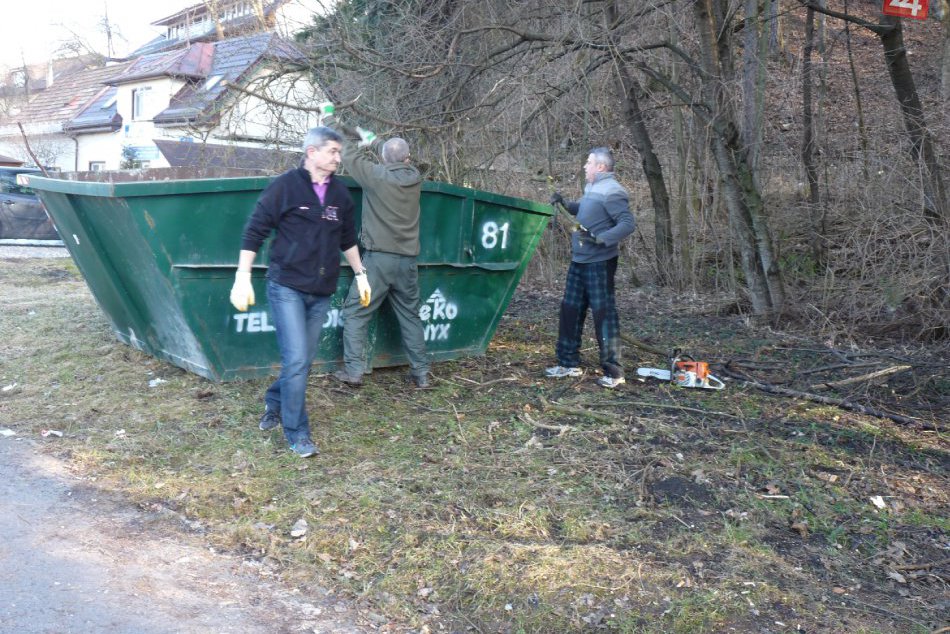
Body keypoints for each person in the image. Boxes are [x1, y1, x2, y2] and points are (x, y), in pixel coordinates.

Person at [228, 126, 371, 458]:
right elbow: (254, 230)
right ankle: (297, 432)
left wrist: (361, 274)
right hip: (287, 287)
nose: (338, 157)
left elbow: (347, 238)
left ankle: (275, 401)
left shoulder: (339, 195)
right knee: (296, 360)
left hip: (320, 290)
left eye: (339, 152)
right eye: (333, 151)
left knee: (302, 361)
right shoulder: (286, 187)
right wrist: (242, 275)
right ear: (312, 153)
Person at [332, 125, 430, 388]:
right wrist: (373, 139)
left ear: (384, 159)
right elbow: (391, 155)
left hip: (378, 262)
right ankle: (421, 374)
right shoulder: (415, 178)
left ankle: (354, 372)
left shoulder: (376, 177)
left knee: (356, 312)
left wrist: (330, 120)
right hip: (408, 261)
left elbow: (350, 154)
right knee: (410, 316)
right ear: (408, 159)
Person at [546, 147, 636, 389]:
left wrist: (603, 238)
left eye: (588, 163)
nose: (584, 166)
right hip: (579, 260)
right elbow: (586, 211)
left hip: (600, 263)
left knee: (603, 315)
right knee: (570, 310)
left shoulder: (613, 191)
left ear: (601, 167)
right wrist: (565, 204)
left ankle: (614, 372)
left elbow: (627, 223)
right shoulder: (592, 189)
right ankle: (567, 363)